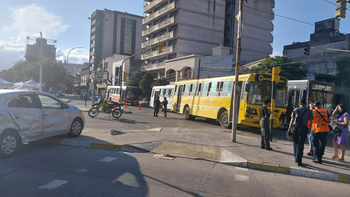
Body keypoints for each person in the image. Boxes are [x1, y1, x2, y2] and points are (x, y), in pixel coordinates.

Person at [287, 98, 313, 167]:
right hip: (304, 128)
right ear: (305, 104)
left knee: (295, 143)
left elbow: (292, 120)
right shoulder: (309, 111)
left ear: (299, 103)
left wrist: (289, 129)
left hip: (295, 127)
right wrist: (309, 129)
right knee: (301, 145)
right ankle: (299, 160)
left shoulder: (295, 109)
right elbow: (310, 122)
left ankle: (296, 158)